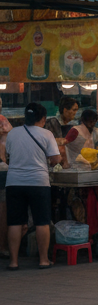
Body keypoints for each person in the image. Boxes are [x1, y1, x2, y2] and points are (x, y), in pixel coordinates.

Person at [5, 102, 61, 269]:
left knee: (14, 223)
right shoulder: (47, 134)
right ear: (43, 119)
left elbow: (9, 153)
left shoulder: (13, 133)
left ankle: (13, 262)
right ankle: (43, 260)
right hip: (38, 183)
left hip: (14, 182)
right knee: (42, 222)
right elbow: (56, 159)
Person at [45, 97, 79, 166]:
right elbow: (49, 143)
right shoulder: (52, 122)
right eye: (74, 110)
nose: (75, 113)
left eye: (76, 110)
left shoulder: (73, 125)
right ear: (65, 110)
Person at [0, 97, 12, 258]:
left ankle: (2, 245)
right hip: (3, 168)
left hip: (3, 169)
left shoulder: (3, 120)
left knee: (3, 210)